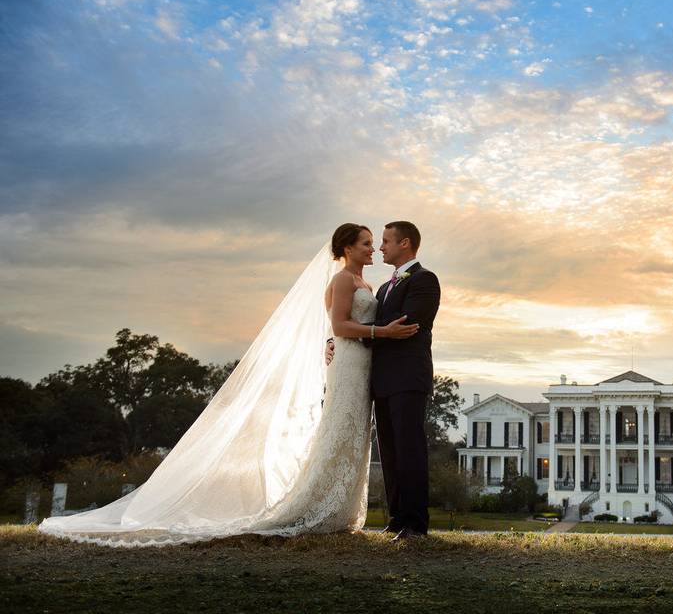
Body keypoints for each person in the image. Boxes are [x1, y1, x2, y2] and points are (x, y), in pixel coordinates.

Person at [37, 223, 417, 547]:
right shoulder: (341, 278)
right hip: (350, 364)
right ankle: (314, 506)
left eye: (375, 243)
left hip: (362, 364)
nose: (373, 249)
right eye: (367, 243)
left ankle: (340, 509)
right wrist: (377, 332)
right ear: (347, 247)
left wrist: (344, 340)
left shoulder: (366, 281)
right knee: (340, 427)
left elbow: (334, 330)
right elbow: (337, 326)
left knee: (352, 434)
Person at [326, 221, 441, 541]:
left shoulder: (424, 280)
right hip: (379, 379)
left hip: (407, 376)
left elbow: (408, 323)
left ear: (405, 244)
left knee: (410, 449)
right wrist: (336, 340)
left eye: (386, 241)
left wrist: (360, 337)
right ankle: (397, 517)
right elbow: (361, 321)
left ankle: (416, 524)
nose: (380, 247)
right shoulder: (382, 287)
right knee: (389, 451)